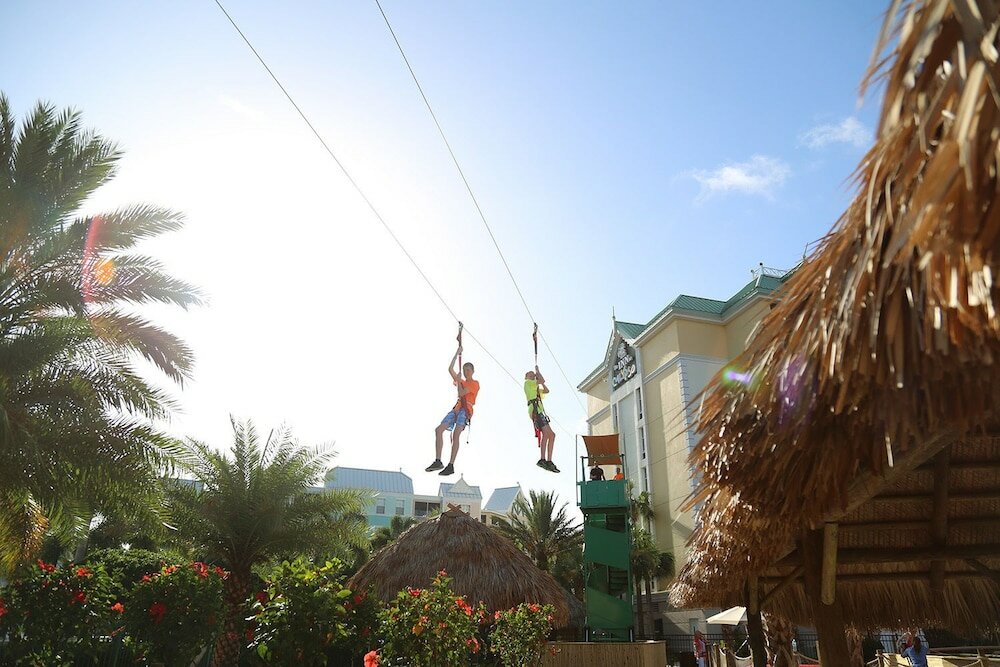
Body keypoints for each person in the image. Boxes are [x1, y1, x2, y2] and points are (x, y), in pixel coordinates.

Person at [426, 345, 479, 476]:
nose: (466, 372)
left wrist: (459, 382)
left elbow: (461, 393)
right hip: (456, 408)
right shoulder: (461, 380)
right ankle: (438, 461)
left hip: (465, 410)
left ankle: (451, 465)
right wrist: (457, 353)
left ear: (472, 371)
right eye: (464, 370)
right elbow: (450, 369)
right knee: (438, 430)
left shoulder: (474, 383)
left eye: (468, 370)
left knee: (456, 435)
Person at [524, 366, 558, 472]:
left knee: (550, 435)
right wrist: (538, 373)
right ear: (526, 377)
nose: (532, 376)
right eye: (530, 374)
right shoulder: (528, 383)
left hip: (539, 412)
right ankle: (544, 459)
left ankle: (547, 460)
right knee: (549, 434)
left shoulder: (535, 388)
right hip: (535, 411)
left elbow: (547, 390)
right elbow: (542, 380)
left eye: (533, 375)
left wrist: (540, 381)